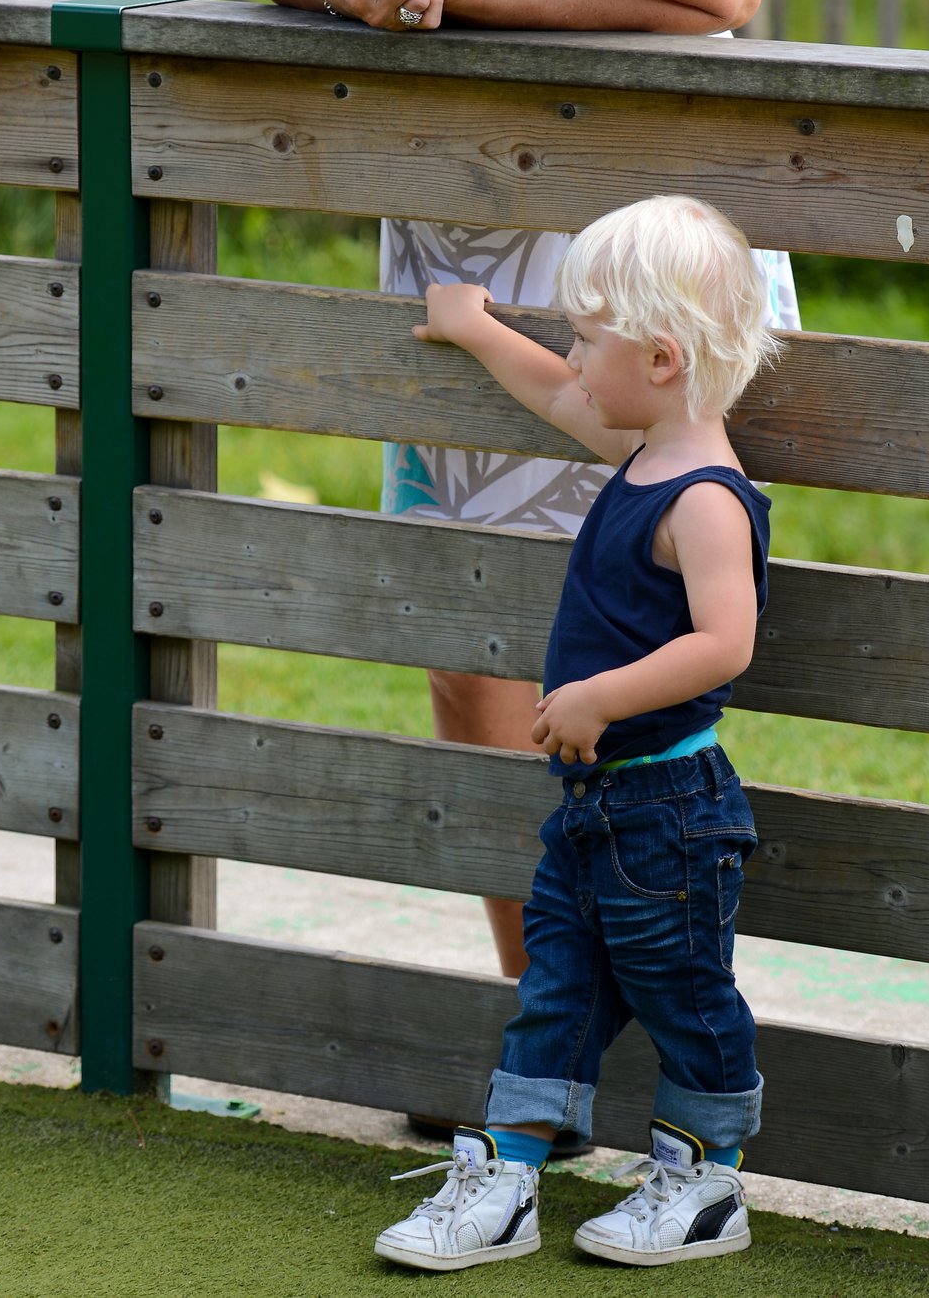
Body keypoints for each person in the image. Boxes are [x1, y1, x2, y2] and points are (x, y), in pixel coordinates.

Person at [222, 0, 800, 992]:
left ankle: (651, 1019)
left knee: (608, 644)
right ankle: (534, 1024)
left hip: (609, 257)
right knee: (461, 647)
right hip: (452, 252)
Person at [373, 194, 779, 1271]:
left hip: (669, 814)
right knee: (552, 990)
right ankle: (503, 1175)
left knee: (684, 995)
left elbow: (724, 641)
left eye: (586, 333)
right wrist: (470, 326)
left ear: (658, 358)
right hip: (597, 807)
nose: (570, 351)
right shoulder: (639, 441)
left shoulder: (704, 497)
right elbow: (555, 388)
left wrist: (602, 696)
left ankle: (701, 1180)